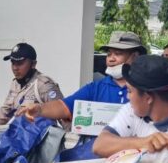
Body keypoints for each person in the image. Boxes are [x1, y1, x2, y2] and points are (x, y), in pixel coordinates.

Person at [16, 31, 145, 124]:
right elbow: (63, 107)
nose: (111, 59)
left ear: (135, 56)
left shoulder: (147, 88)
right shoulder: (96, 88)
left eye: (118, 54)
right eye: (109, 54)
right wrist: (39, 109)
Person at [0, 43, 63, 125]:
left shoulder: (44, 85)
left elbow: (63, 113)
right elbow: (5, 113)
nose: (15, 68)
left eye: (20, 63)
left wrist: (71, 136)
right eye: (13, 63)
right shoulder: (15, 84)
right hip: (19, 135)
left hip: (39, 136)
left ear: (33, 64)